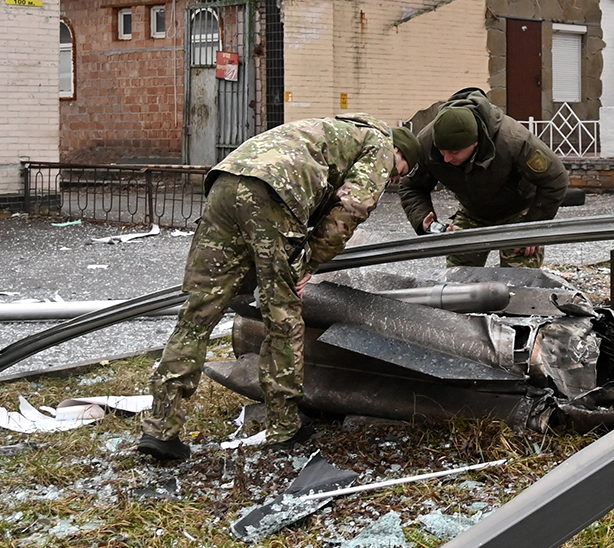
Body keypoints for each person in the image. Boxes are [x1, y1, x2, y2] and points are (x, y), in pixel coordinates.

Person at [138, 116, 412, 461]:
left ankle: (160, 428)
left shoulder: (333, 129)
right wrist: (310, 260)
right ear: (399, 150)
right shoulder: (382, 146)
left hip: (225, 182)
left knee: (198, 311)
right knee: (282, 314)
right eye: (401, 171)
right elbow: (353, 208)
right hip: (272, 194)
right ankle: (284, 426)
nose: (395, 178)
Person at [399, 87, 570, 267]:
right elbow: (411, 185)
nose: (447, 159)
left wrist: (534, 228)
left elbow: (555, 178)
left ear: (475, 142)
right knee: (458, 280)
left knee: (519, 281)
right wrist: (425, 221)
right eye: (442, 151)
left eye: (454, 152)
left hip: (519, 212)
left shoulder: (513, 140)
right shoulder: (426, 142)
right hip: (472, 212)